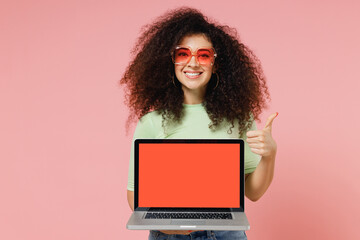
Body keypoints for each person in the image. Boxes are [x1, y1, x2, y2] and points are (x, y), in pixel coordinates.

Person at [121, 7, 278, 240]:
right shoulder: (151, 123)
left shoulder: (239, 118)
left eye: (203, 55)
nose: (193, 63)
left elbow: (253, 193)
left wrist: (270, 154)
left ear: (215, 64)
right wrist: (170, 227)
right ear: (171, 61)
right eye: (183, 54)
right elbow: (135, 196)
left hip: (226, 233)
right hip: (168, 234)